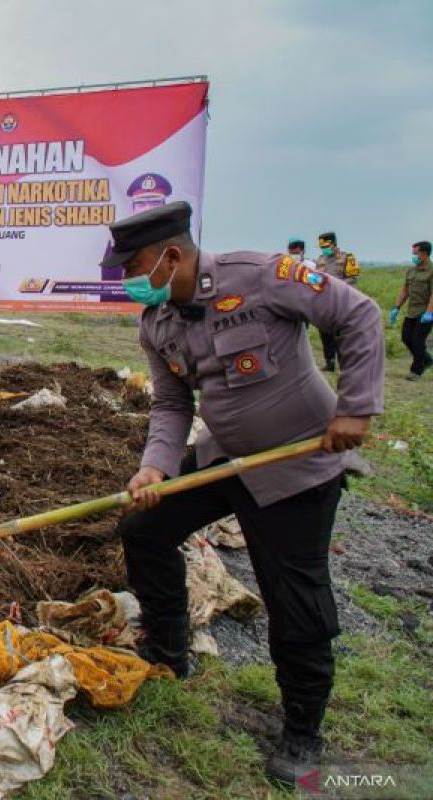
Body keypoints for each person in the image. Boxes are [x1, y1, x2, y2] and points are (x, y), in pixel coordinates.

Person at [100, 202, 383, 787]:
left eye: (135, 265)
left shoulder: (260, 276)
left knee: (294, 599)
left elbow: (359, 315)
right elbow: (174, 404)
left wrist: (356, 407)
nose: (128, 279)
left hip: (299, 466)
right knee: (143, 528)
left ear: (171, 255)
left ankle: (302, 731)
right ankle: (168, 649)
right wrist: (154, 468)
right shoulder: (156, 323)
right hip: (226, 457)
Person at [314, 232, 360, 372]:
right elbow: (315, 277)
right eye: (321, 246)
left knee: (340, 334)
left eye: (326, 246)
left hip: (341, 301)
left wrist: (337, 286)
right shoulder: (321, 259)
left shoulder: (347, 257)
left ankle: (344, 364)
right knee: (325, 333)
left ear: (334, 244)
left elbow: (353, 278)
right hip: (324, 302)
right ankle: (329, 362)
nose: (324, 249)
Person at [389, 241, 433, 381]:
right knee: (406, 338)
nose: (413, 256)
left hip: (426, 311)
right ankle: (427, 359)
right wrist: (396, 307)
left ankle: (416, 371)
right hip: (411, 311)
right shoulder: (411, 270)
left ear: (425, 253)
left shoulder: (431, 271)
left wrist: (429, 312)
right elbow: (405, 291)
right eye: (413, 253)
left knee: (417, 340)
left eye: (416, 253)